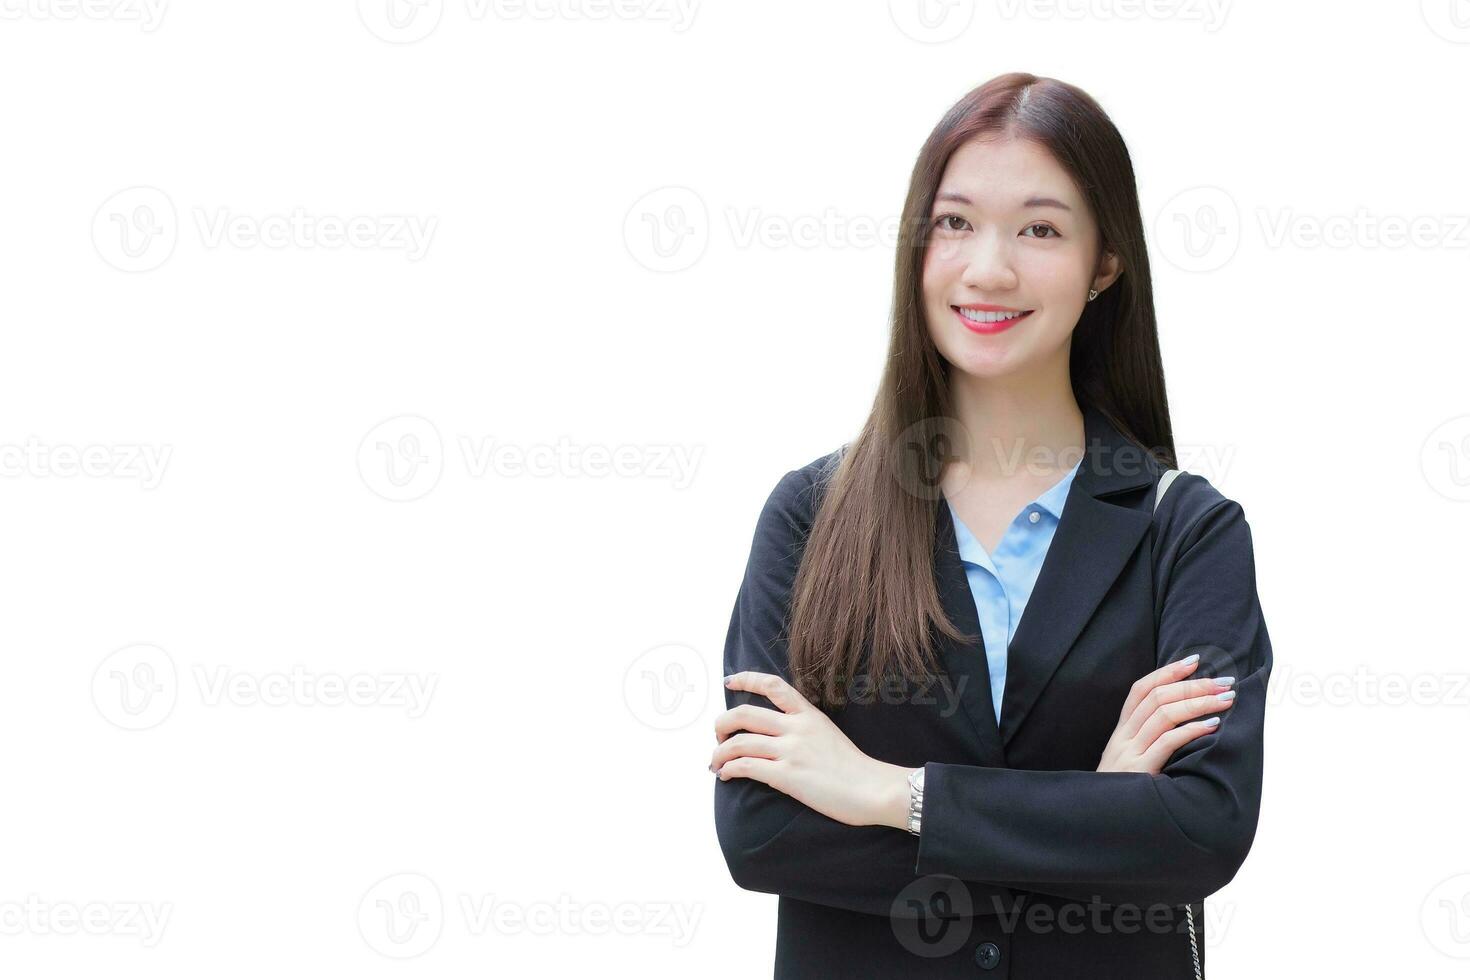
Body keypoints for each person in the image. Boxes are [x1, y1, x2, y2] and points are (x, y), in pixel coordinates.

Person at [710, 72, 1271, 979]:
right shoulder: (811, 519)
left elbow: (1202, 832)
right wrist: (1094, 815)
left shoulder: (1187, 532)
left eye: (1041, 228)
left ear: (1105, 263)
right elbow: (762, 834)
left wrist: (891, 795)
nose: (988, 268)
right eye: (955, 222)